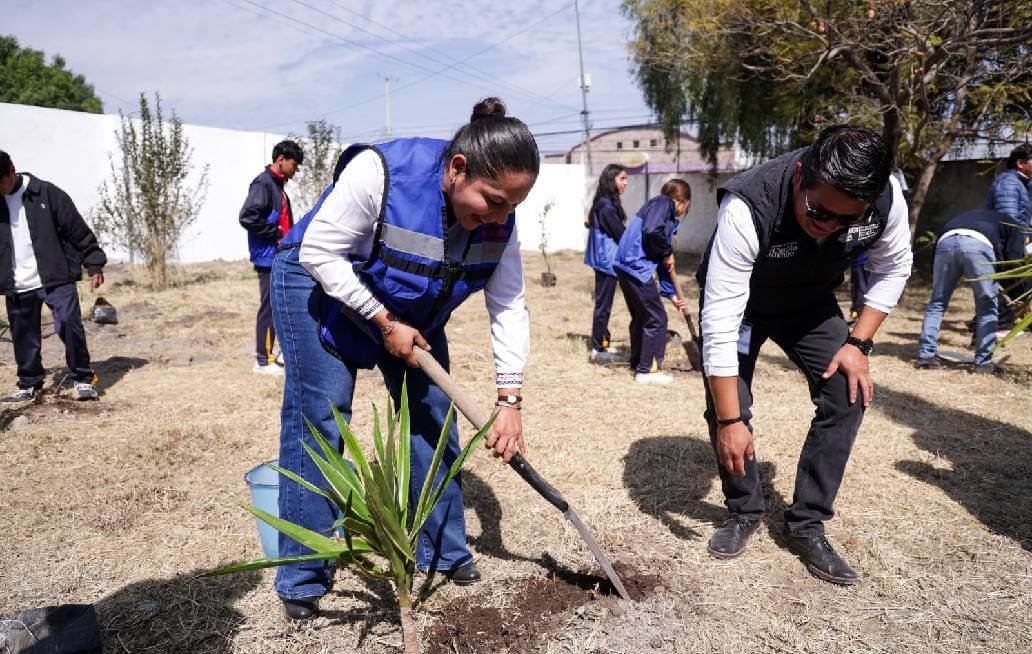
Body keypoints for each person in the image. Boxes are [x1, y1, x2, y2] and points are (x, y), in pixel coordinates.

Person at [270, 98, 537, 621]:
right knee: (321, 418)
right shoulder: (381, 173)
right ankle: (304, 571)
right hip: (318, 281)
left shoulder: (501, 221)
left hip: (413, 306)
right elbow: (320, 252)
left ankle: (444, 549)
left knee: (433, 416)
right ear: (458, 169)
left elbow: (508, 304)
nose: (499, 218)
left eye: (512, 207)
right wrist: (383, 322)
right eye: (492, 201)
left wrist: (510, 398)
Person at [696, 125, 912, 585]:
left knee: (847, 390)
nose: (830, 227)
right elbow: (718, 324)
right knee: (728, 404)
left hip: (809, 302)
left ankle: (807, 523)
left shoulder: (885, 195)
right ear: (799, 175)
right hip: (743, 307)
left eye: (846, 221)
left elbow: (895, 267)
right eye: (819, 213)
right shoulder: (748, 206)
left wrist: (857, 344)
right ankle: (743, 510)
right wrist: (730, 424)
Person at [0, 150, 106, 402]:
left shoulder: (46, 193)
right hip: (17, 282)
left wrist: (94, 263)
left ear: (12, 169)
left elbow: (76, 229)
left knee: (70, 325)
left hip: (55, 275)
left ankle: (82, 378)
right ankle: (29, 384)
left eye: (0, 182)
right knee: (23, 336)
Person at [915, 209, 1026, 374]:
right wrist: (1021, 294)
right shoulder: (1016, 228)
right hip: (978, 244)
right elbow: (1015, 262)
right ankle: (983, 363)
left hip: (946, 240)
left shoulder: (983, 216)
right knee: (987, 306)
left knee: (937, 302)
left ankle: (925, 357)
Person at [613, 179, 692, 384]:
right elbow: (652, 233)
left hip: (626, 266)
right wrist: (667, 252)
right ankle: (647, 370)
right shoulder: (663, 204)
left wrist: (672, 295)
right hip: (635, 266)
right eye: (687, 206)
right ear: (682, 201)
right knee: (656, 319)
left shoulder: (662, 214)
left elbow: (661, 261)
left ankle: (638, 362)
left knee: (642, 317)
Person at [239, 140, 304, 375]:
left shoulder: (278, 185)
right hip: (267, 257)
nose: (296, 170)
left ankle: (277, 352)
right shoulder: (263, 184)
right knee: (269, 307)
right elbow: (247, 217)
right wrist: (275, 234)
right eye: (294, 165)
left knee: (280, 305)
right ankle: (263, 360)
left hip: (278, 255)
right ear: (281, 159)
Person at [584, 164, 629, 363]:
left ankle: (603, 342)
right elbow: (620, 233)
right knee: (603, 305)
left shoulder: (606, 202)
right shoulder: (606, 205)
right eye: (622, 179)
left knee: (605, 304)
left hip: (606, 259)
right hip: (606, 260)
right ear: (612, 181)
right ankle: (597, 347)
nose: (625, 183)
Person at [986, 144, 1031, 227]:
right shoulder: (1008, 182)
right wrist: (1025, 237)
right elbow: (1009, 221)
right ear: (1020, 163)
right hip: (1010, 238)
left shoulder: (1021, 183)